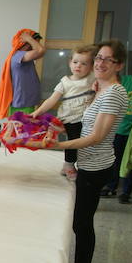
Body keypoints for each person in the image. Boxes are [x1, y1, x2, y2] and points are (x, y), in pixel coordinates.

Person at [55, 40, 129, 263]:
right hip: (87, 163)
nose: (99, 63)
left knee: (82, 223)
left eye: (107, 59)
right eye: (98, 57)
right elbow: (82, 124)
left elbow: (96, 137)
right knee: (80, 221)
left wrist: (55, 146)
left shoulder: (114, 93)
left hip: (96, 166)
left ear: (118, 64)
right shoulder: (100, 88)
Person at [31, 45, 95, 181]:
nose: (78, 66)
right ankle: (69, 165)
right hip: (70, 118)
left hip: (87, 118)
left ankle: (71, 165)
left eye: (84, 63)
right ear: (70, 63)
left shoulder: (92, 79)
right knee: (73, 142)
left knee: (84, 144)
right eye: (75, 62)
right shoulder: (65, 82)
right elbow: (52, 99)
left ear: (91, 66)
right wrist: (38, 111)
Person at [102, 57, 132, 201]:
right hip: (118, 128)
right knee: (114, 159)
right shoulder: (124, 80)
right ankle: (111, 187)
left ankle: (126, 192)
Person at [0, 28, 45, 117]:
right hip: (22, 103)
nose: (35, 46)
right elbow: (41, 50)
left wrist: (30, 40)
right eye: (34, 43)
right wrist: (29, 38)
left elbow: (40, 52)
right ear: (25, 44)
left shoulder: (23, 56)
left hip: (24, 102)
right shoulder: (18, 55)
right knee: (21, 129)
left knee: (22, 129)